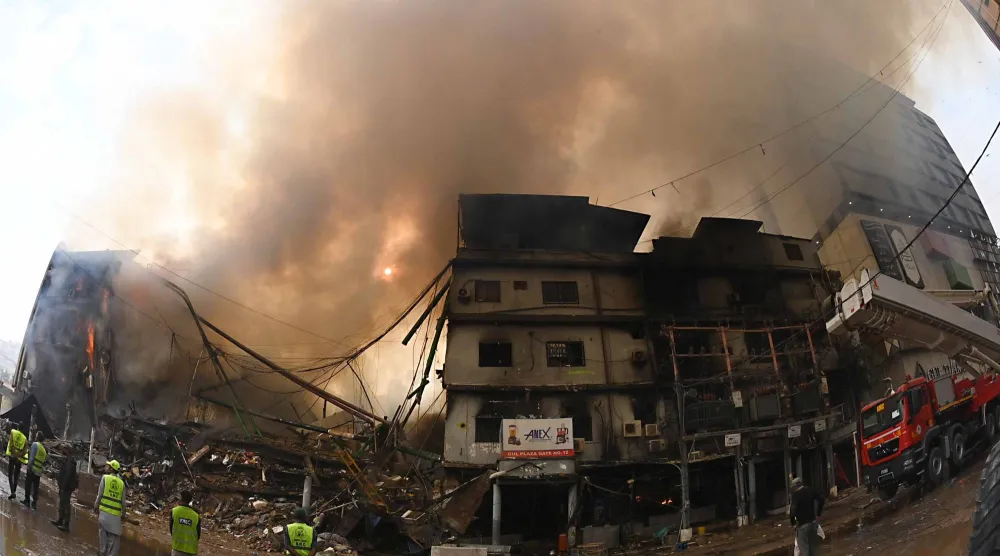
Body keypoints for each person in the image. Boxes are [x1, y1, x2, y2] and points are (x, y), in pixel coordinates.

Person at [93, 460, 126, 556]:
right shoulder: (121, 483)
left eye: (109, 466)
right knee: (113, 538)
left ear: (112, 469)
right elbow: (123, 502)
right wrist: (123, 514)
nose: (107, 467)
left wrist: (96, 505)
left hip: (104, 512)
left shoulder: (105, 478)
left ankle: (102, 552)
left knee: (103, 534)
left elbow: (100, 494)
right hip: (115, 515)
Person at [789, 477, 825, 556]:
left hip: (802, 527)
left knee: (804, 551)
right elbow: (821, 499)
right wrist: (818, 513)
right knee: (813, 550)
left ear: (795, 486)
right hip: (813, 524)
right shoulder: (810, 490)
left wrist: (793, 523)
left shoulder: (796, 495)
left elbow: (792, 511)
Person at [49, 454, 78, 532]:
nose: (62, 452)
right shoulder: (67, 461)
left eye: (64, 450)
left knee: (65, 505)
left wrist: (63, 486)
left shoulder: (70, 463)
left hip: (66, 488)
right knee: (62, 503)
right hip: (63, 486)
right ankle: (60, 520)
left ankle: (66, 524)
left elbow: (67, 476)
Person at [170, 490, 201, 555]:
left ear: (181, 498)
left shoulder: (174, 511)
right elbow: (198, 535)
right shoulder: (196, 516)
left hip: (177, 548)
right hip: (191, 551)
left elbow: (171, 529)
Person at [23, 431, 46, 509]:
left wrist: (29, 467)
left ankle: (27, 500)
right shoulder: (44, 450)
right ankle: (34, 503)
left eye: (36, 435)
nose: (35, 436)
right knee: (36, 488)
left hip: (32, 469)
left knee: (28, 485)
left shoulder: (35, 445)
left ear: (37, 437)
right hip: (38, 472)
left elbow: (32, 458)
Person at [5, 422, 27, 501]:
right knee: (16, 476)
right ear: (23, 429)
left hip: (12, 456)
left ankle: (12, 492)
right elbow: (25, 451)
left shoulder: (13, 432)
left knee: (10, 474)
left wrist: (14, 454)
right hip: (19, 459)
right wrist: (19, 455)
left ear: (18, 426)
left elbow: (11, 443)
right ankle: (14, 491)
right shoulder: (24, 438)